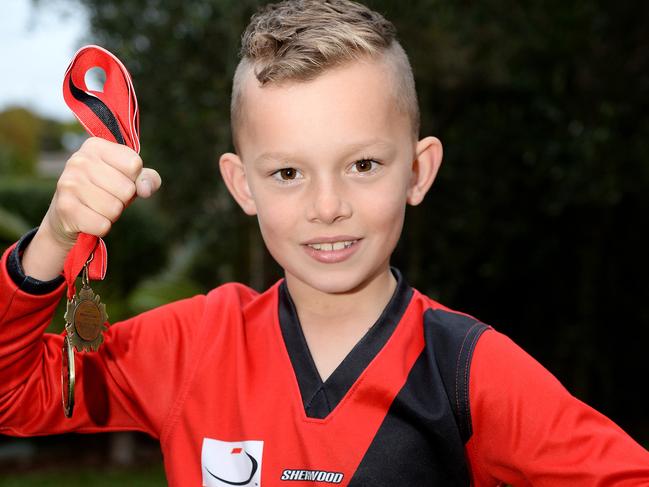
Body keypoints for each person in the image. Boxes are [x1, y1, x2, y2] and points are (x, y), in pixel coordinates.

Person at [1, 0, 648, 485]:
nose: (328, 206)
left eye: (362, 165)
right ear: (242, 184)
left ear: (417, 171)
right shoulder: (193, 346)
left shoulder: (469, 373)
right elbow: (14, 397)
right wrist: (55, 240)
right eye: (287, 172)